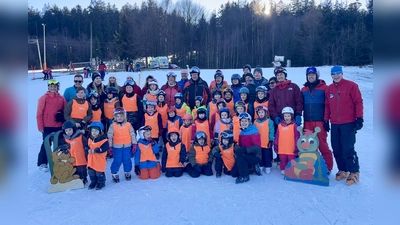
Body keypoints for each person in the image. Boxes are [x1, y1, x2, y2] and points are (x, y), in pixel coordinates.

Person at [324, 65, 364, 186]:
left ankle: (354, 172)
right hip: (335, 123)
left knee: (348, 148)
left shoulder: (351, 86)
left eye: (338, 73)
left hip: (348, 122)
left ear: (342, 73)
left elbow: (358, 102)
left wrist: (359, 118)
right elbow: (327, 106)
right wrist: (326, 120)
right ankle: (343, 169)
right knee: (336, 148)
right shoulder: (329, 89)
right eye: (333, 73)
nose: (336, 75)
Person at [301, 67, 333, 173]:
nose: (311, 76)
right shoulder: (304, 90)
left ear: (317, 76)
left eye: (313, 75)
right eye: (309, 75)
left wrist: (326, 120)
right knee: (309, 146)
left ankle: (327, 167)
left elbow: (329, 105)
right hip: (307, 121)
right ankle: (312, 166)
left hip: (319, 121)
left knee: (322, 144)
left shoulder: (325, 88)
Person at [36, 79, 67, 171]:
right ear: (48, 87)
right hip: (47, 126)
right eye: (51, 86)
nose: (53, 88)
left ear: (58, 87)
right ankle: (42, 162)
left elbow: (65, 111)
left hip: (58, 125)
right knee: (47, 143)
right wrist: (40, 126)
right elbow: (39, 113)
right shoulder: (44, 98)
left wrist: (61, 115)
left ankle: (60, 161)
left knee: (60, 143)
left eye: (55, 86)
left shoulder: (61, 98)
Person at [108, 107, 137, 183]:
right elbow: (110, 136)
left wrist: (134, 144)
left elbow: (132, 134)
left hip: (127, 146)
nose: (120, 118)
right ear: (115, 117)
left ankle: (127, 172)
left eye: (121, 116)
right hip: (117, 147)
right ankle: (114, 173)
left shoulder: (128, 125)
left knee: (127, 160)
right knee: (117, 160)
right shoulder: (113, 126)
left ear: (124, 116)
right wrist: (110, 146)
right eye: (117, 116)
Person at [234, 112, 262, 183]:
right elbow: (240, 145)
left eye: (246, 121)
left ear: (249, 122)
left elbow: (257, 147)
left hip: (255, 156)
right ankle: (251, 168)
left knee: (240, 156)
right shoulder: (242, 132)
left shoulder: (253, 131)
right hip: (246, 155)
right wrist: (237, 148)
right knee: (234, 173)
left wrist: (245, 150)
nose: (244, 123)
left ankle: (245, 176)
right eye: (242, 121)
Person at [274, 107, 300, 175]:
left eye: (288, 116)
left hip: (291, 149)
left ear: (291, 116)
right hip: (282, 149)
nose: (287, 117)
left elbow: (297, 137)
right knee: (283, 160)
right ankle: (283, 169)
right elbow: (277, 136)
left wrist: (297, 146)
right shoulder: (279, 126)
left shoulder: (295, 126)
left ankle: (291, 170)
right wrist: (276, 145)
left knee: (291, 161)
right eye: (285, 116)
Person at [87, 122, 109, 190]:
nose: (94, 132)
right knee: (91, 171)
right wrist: (87, 149)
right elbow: (86, 146)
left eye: (96, 131)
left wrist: (96, 150)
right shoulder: (90, 139)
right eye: (92, 131)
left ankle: (101, 182)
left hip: (99, 160)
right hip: (91, 160)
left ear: (100, 131)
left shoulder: (104, 140)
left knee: (99, 172)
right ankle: (93, 181)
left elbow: (105, 148)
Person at [254, 105, 275, 174]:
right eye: (259, 112)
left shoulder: (269, 121)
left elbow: (271, 131)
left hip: (266, 142)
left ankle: (268, 166)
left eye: (262, 112)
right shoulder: (256, 122)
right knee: (260, 155)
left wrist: (271, 139)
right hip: (258, 143)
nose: (261, 114)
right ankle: (261, 165)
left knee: (267, 155)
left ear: (265, 113)